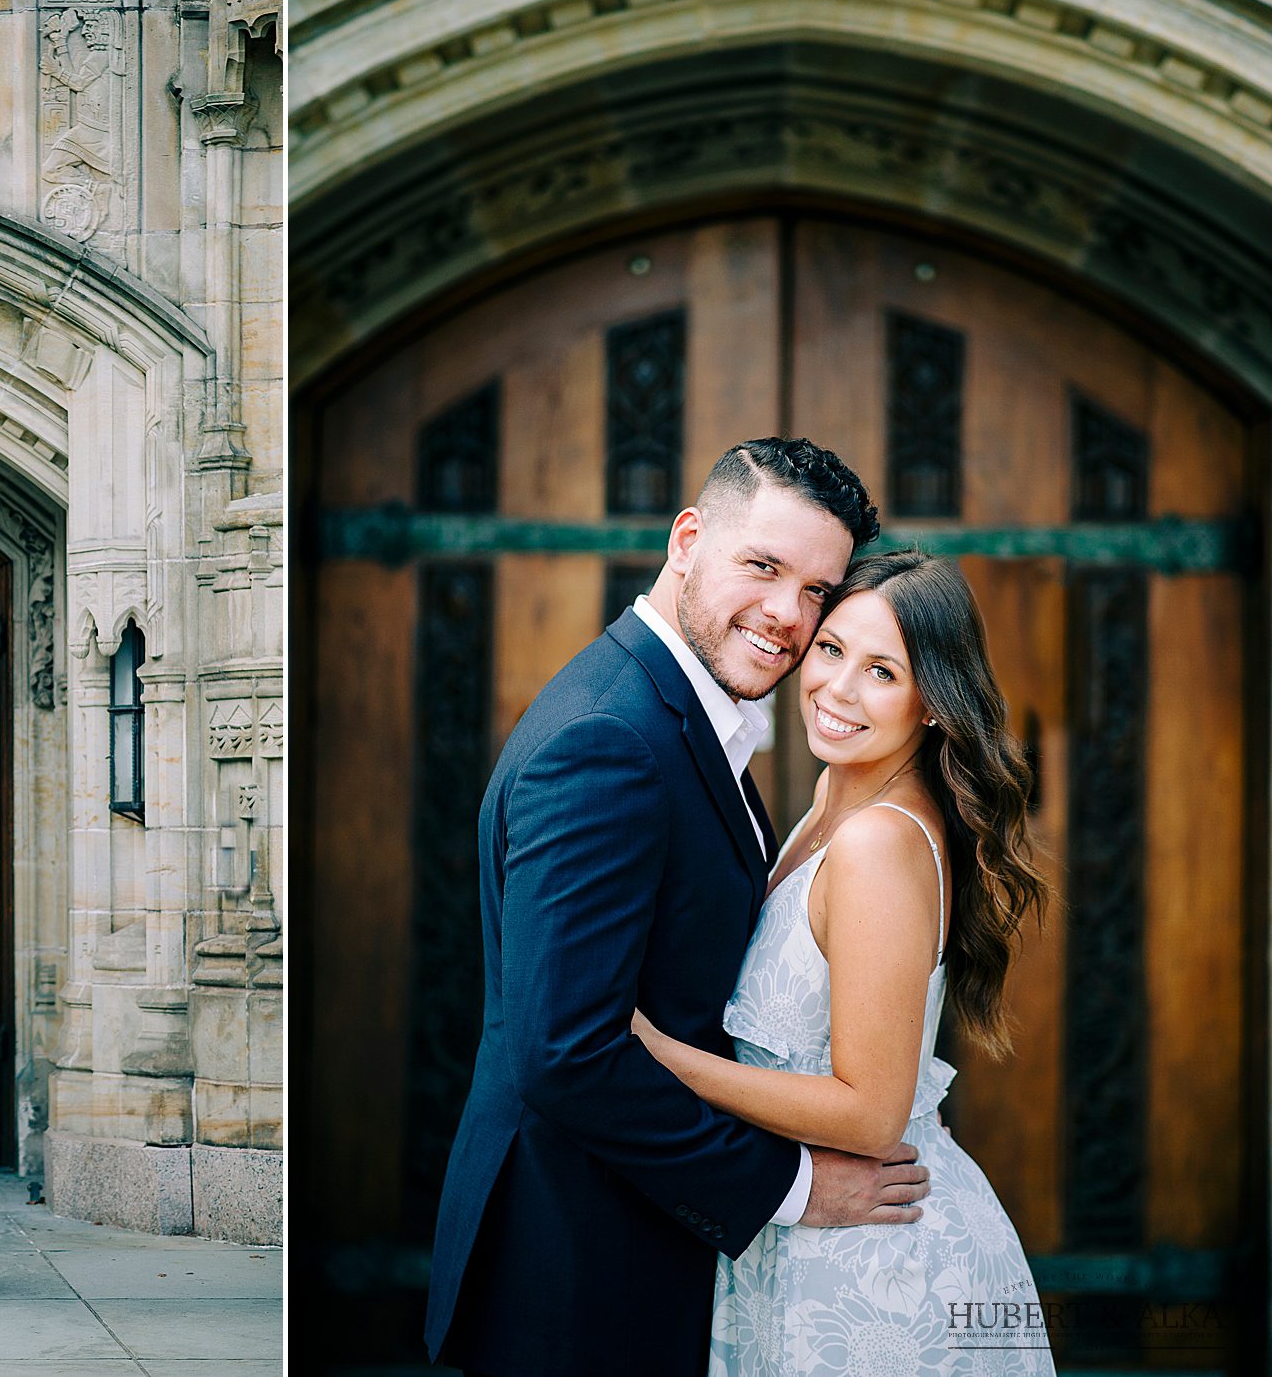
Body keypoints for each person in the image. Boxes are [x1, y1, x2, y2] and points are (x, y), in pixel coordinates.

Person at [427, 438, 931, 1375]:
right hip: (578, 1270)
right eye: (763, 566)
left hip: (634, 1252)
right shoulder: (611, 738)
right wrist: (792, 1188)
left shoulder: (680, 715)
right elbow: (567, 1056)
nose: (787, 615)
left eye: (816, 590)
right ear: (688, 538)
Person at [632, 549, 1053, 1374]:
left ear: (932, 701)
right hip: (805, 1229)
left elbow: (870, 1114)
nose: (837, 690)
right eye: (830, 649)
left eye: (882, 671)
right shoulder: (835, 797)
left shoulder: (876, 841)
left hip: (877, 1267)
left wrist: (662, 1056)